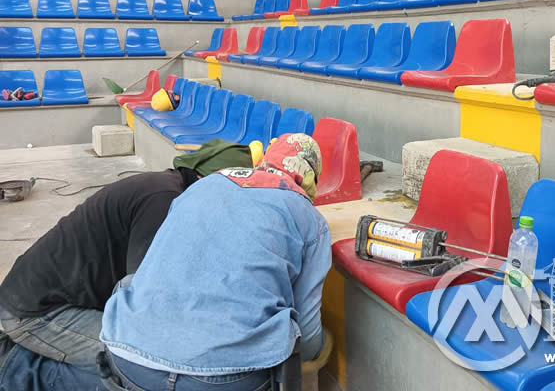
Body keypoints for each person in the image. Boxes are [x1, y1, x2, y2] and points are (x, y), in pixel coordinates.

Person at [98, 133, 332, 391]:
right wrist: (321, 346)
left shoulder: (204, 184)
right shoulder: (310, 220)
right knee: (286, 331)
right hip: (227, 377)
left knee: (133, 282)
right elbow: (308, 336)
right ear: (311, 180)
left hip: (129, 356)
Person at [0, 140, 255, 372]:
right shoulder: (163, 200)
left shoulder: (166, 187)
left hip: (54, 297)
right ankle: (14, 369)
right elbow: (142, 296)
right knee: (147, 365)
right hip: (38, 312)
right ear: (205, 180)